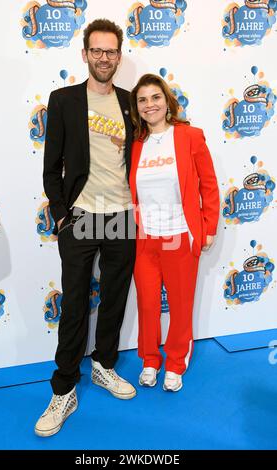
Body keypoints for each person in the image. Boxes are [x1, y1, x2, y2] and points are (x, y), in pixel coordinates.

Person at [35, 19, 136, 437]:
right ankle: (64, 389)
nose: (104, 57)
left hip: (121, 215)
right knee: (75, 302)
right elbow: (51, 166)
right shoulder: (63, 100)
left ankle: (104, 366)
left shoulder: (131, 103)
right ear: (85, 54)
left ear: (118, 56)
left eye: (111, 51)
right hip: (79, 216)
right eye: (97, 50)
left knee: (114, 297)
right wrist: (61, 213)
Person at [129, 74, 220, 392]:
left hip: (180, 235)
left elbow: (208, 183)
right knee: (148, 304)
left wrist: (208, 227)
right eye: (142, 99)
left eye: (155, 97)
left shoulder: (189, 136)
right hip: (145, 238)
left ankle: (177, 362)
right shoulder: (136, 143)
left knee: (180, 304)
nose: (149, 104)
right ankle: (150, 360)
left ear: (167, 101)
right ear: (136, 107)